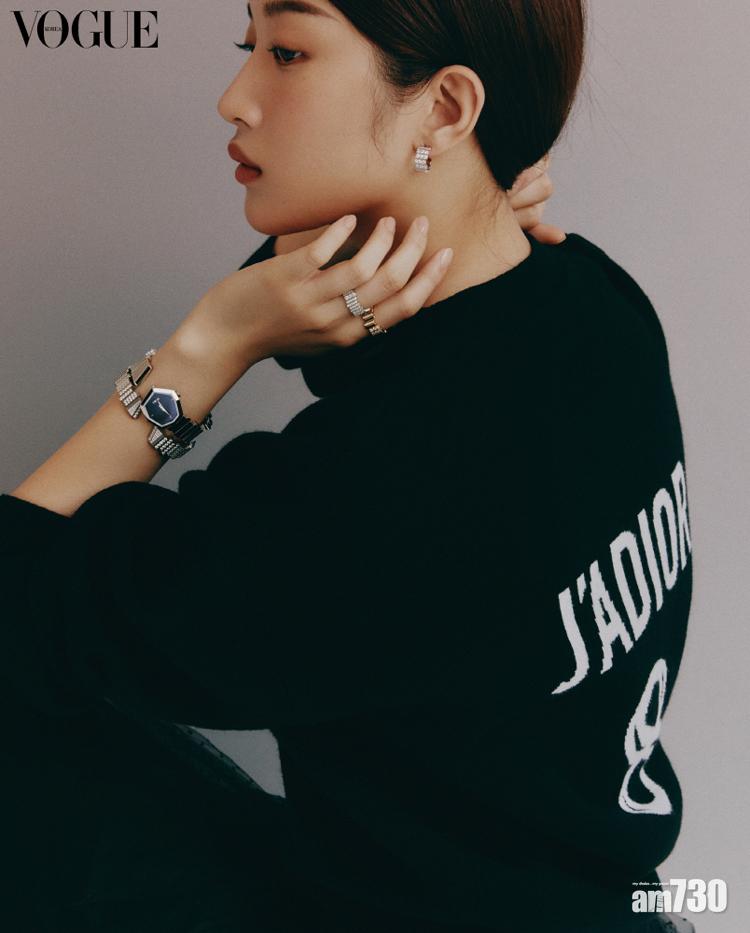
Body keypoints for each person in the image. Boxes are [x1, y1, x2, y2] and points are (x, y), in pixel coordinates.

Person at [0, 1, 696, 932]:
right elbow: (396, 375)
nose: (234, 97)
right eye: (248, 44)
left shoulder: (369, 497)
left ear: (446, 109)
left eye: (288, 52)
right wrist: (430, 212)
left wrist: (206, 349)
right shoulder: (598, 308)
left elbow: (18, 596)